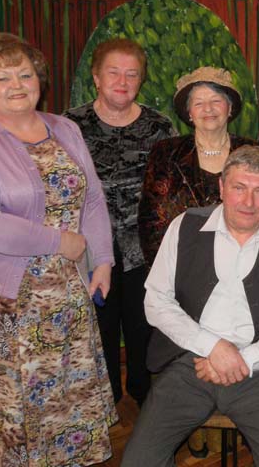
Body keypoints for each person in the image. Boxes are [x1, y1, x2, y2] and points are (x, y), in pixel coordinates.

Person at [0, 33, 116, 466]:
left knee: (65, 391)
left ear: (39, 78)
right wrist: (61, 241)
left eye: (25, 74)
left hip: (66, 291)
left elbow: (92, 199)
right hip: (1, 299)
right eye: (1, 77)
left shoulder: (65, 128)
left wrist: (103, 259)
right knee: (8, 404)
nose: (17, 85)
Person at [122, 146, 259, 467]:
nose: (248, 202)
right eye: (239, 187)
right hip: (190, 365)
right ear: (222, 187)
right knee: (138, 462)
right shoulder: (185, 225)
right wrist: (213, 347)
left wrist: (245, 359)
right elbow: (156, 300)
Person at [137, 65, 255, 457]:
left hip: (240, 279)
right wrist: (174, 281)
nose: (208, 109)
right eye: (198, 102)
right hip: (181, 283)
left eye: (216, 100)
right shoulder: (166, 153)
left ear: (230, 108)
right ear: (188, 112)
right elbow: (151, 221)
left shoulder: (251, 152)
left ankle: (241, 410)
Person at [64, 38, 173, 407]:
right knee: (99, 328)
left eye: (132, 74)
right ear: (96, 77)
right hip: (90, 250)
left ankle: (144, 396)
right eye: (113, 72)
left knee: (143, 327)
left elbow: (167, 192)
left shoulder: (159, 127)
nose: (122, 81)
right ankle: (105, 399)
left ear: (141, 81)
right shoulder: (70, 126)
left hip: (144, 250)